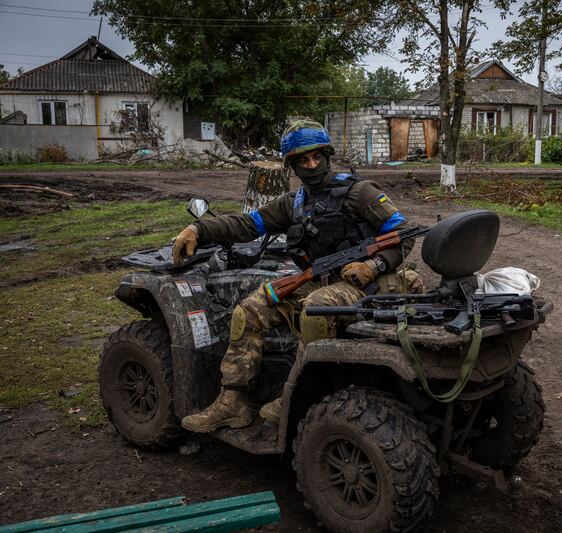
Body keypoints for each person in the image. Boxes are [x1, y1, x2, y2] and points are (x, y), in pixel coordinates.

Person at [173, 119, 422, 433]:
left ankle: (298, 396)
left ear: (327, 155)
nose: (312, 164)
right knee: (250, 309)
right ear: (292, 165)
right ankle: (232, 402)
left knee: (316, 309)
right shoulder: (295, 204)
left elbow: (403, 234)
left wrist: (374, 265)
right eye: (303, 160)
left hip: (370, 285)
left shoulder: (360, 193)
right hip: (322, 282)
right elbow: (247, 225)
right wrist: (198, 228)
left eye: (317, 156)